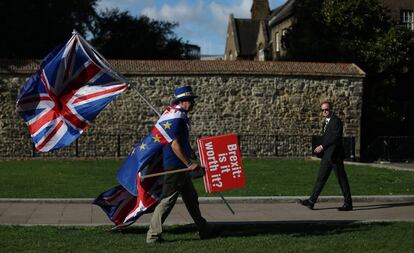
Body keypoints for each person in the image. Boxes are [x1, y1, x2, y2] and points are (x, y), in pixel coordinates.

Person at [146, 85, 213, 243]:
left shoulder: (175, 114)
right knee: (167, 200)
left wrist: (190, 152)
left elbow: (180, 142)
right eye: (190, 100)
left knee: (191, 198)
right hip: (176, 166)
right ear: (182, 101)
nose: (193, 103)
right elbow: (174, 144)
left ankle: (204, 228)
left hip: (180, 165)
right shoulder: (177, 117)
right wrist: (189, 163)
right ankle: (153, 235)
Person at [299, 101, 353, 211]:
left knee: (342, 179)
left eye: (326, 109)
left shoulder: (336, 121)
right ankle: (311, 202)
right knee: (320, 179)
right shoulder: (326, 122)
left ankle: (348, 203)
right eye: (323, 110)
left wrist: (322, 146)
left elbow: (335, 137)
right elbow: (326, 137)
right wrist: (321, 148)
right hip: (327, 156)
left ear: (331, 109)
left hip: (335, 156)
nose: (324, 111)